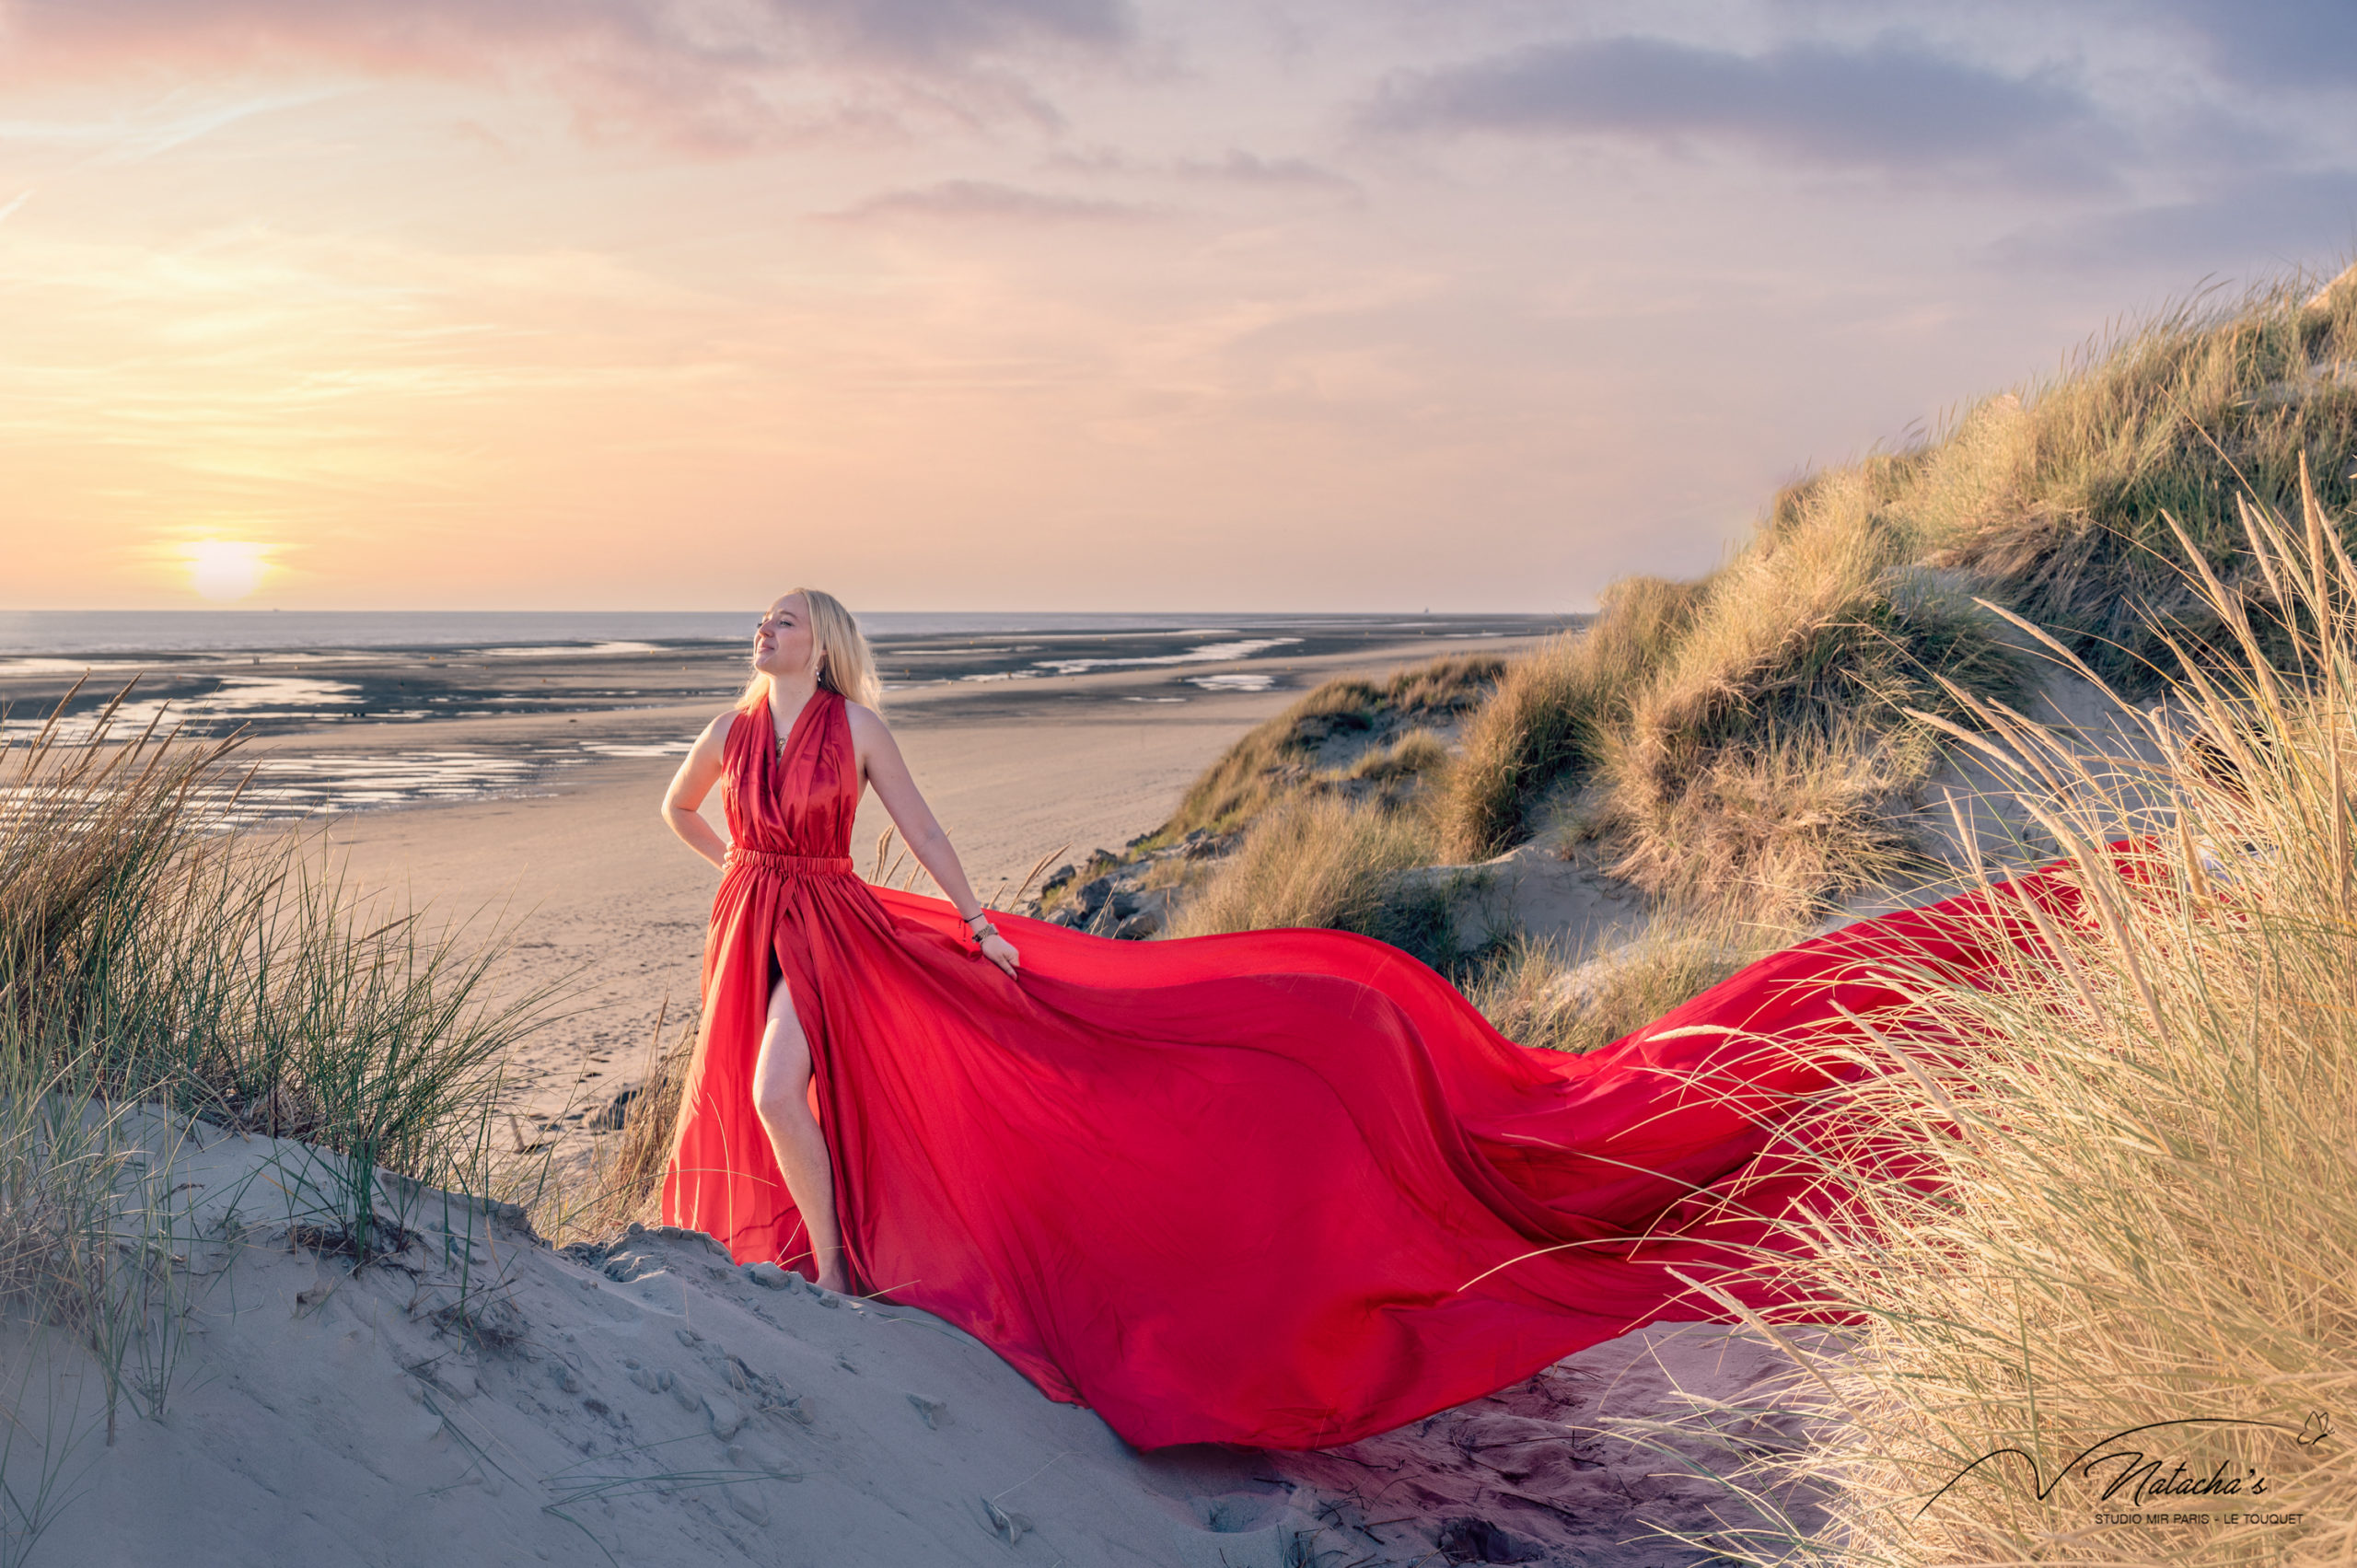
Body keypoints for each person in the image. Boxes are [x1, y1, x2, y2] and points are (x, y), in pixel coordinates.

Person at [656, 587, 2099, 1451]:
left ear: (826, 639)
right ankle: (824, 1260)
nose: (767, 623)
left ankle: (838, 1271)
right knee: (777, 1094)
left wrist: (972, 922)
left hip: (844, 925)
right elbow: (676, 816)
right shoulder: (733, 733)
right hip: (764, 921)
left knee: (805, 1090)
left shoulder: (860, 729)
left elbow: (924, 829)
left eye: (788, 611)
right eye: (764, 614)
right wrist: (750, 881)